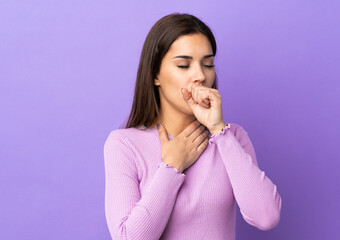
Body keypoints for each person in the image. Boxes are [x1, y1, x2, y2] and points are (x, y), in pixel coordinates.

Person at [103, 13, 282, 240]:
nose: (200, 75)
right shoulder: (124, 145)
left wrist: (219, 131)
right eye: (183, 65)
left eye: (207, 64)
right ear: (155, 74)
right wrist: (172, 166)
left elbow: (266, 217)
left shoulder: (233, 137)